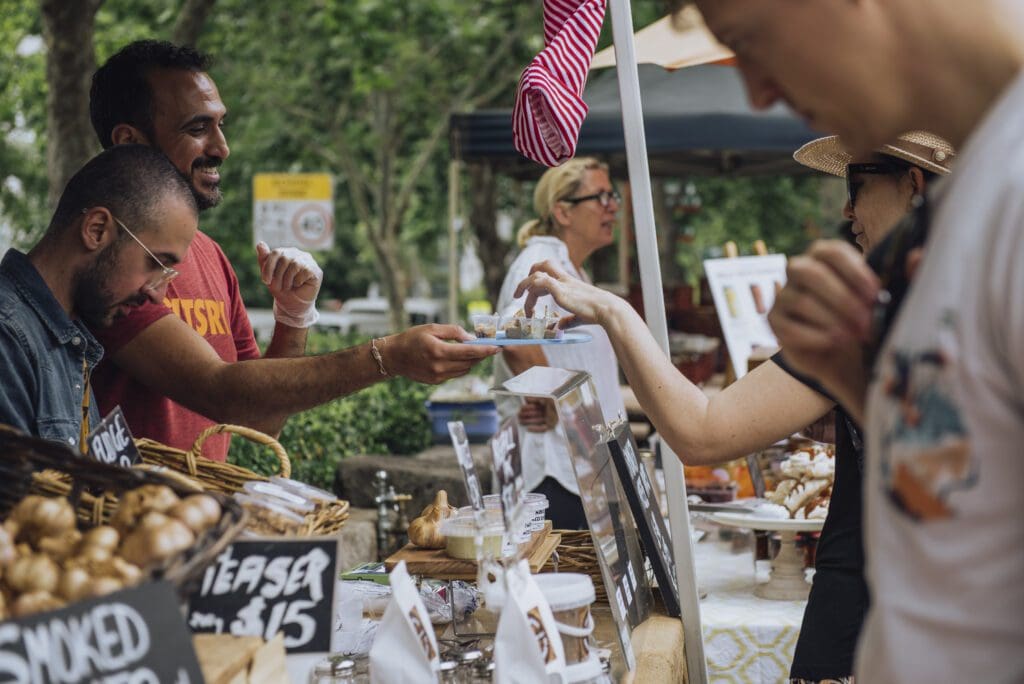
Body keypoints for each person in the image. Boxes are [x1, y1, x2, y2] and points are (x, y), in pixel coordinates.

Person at [513, 133, 951, 680]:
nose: (847, 210)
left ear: (914, 186)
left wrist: (615, 313)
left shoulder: (873, 320)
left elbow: (701, 433)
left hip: (866, 628)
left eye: (855, 185)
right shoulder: (972, 307)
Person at [671, 0, 1024, 680]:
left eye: (751, 39)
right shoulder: (962, 207)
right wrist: (859, 382)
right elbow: (964, 504)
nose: (759, 92)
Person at [87, 40, 497, 459]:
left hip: (206, 503)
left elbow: (259, 422)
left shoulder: (210, 253)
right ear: (128, 142)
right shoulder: (112, 260)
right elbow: (223, 393)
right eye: (197, 129)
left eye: (221, 124)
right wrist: (388, 357)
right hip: (129, 502)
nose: (222, 148)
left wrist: (293, 316)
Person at [0, 145, 197, 447]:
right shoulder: (8, 334)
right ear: (96, 229)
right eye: (155, 263)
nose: (157, 295)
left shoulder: (72, 338)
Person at [494, 157, 626, 529]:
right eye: (601, 197)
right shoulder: (541, 262)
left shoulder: (570, 269)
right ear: (563, 212)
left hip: (578, 468)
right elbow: (513, 336)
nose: (612, 206)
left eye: (613, 196)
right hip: (554, 472)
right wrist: (548, 399)